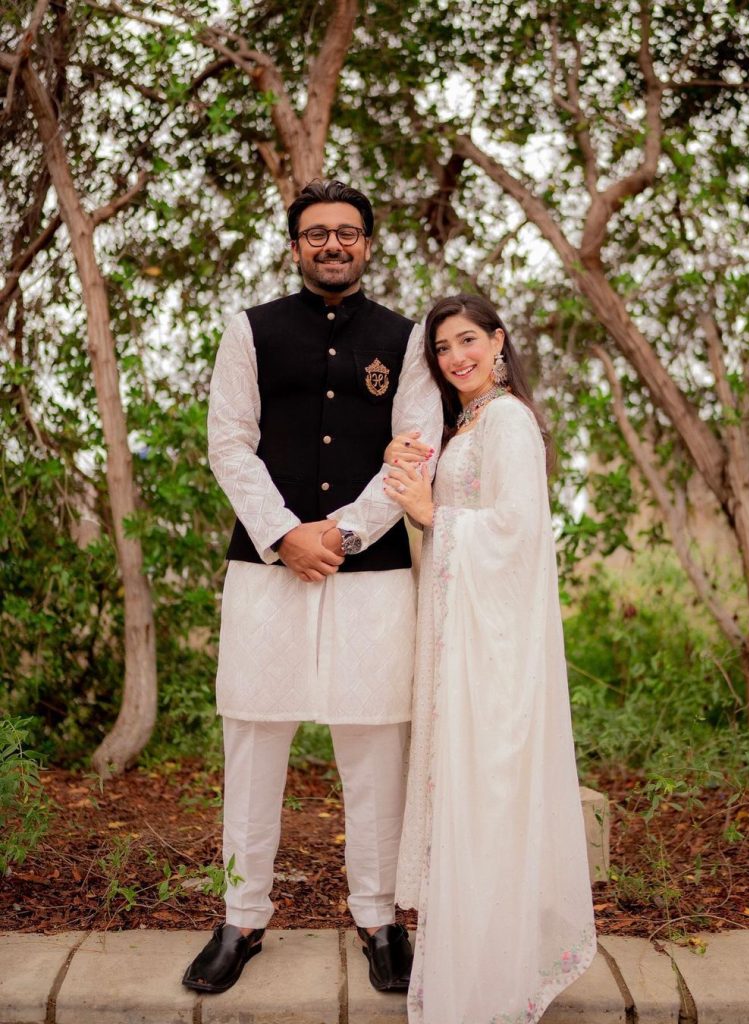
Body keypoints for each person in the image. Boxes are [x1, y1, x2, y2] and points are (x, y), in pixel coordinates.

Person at [182, 179, 442, 996]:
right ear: (294, 245)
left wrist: (343, 534)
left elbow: (412, 451)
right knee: (253, 740)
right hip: (266, 568)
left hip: (370, 574)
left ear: (369, 244)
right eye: (317, 233)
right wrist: (285, 534)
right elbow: (229, 443)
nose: (333, 245)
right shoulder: (247, 330)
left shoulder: (405, 340)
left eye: (348, 233)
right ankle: (241, 917)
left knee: (373, 749)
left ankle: (377, 919)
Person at [383, 294, 596, 1024]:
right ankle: (467, 963)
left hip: (494, 647)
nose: (455, 357)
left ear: (498, 341)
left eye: (466, 340)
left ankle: (488, 980)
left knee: (489, 795)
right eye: (442, 347)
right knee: (464, 796)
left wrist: (433, 516)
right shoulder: (465, 423)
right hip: (456, 637)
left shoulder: (507, 421)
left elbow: (517, 533)